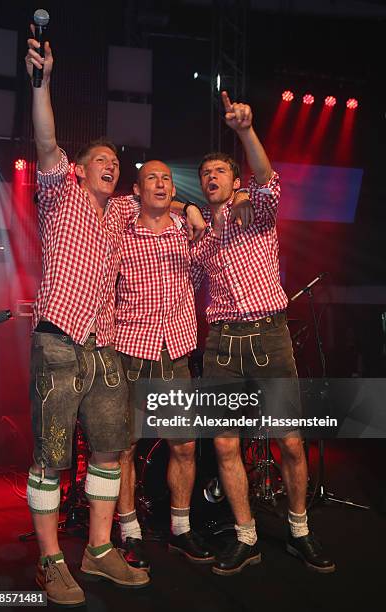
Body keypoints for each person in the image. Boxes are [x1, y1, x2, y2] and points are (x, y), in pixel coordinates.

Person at [24, 30, 206, 604]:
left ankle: (98, 550)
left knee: (108, 449)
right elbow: (47, 138)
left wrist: (187, 204)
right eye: (99, 159)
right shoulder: (63, 195)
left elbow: (157, 199)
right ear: (77, 171)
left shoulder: (119, 216)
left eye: (113, 160)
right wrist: (44, 82)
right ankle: (50, 561)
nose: (110, 163)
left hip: (103, 347)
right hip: (58, 340)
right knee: (51, 456)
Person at [191, 91, 336, 575]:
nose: (212, 178)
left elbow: (270, 183)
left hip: (269, 336)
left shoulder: (255, 216)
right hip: (222, 343)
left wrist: (244, 132)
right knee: (226, 444)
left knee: (290, 441)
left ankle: (299, 530)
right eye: (205, 174)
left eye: (221, 172)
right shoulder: (204, 242)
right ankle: (246, 536)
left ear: (235, 182)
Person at [115, 160, 215, 569]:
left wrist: (190, 211)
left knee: (185, 445)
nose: (161, 183)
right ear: (137, 190)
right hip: (131, 350)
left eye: (167, 178)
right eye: (152, 178)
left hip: (174, 351)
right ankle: (129, 533)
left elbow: (223, 219)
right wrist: (182, 205)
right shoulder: (119, 232)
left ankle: (179, 529)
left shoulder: (187, 234)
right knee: (124, 448)